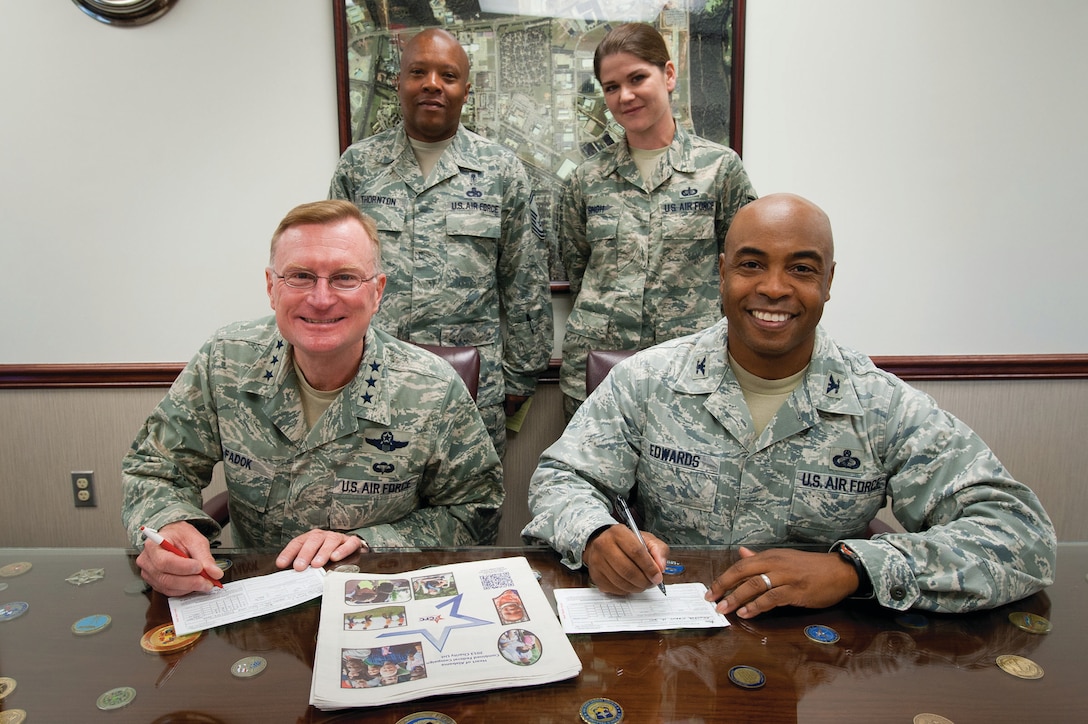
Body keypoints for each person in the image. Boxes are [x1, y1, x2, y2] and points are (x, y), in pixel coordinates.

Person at [524, 193, 1056, 616]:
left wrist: (855, 570)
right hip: (670, 628)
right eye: (752, 264)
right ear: (723, 272)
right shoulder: (647, 380)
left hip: (824, 653)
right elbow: (560, 480)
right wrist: (594, 534)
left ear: (828, 281)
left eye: (801, 269)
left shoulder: (880, 404)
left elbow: (1021, 535)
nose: (773, 288)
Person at [122, 200, 503, 596]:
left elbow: (476, 512)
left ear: (377, 292)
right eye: (300, 276)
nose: (321, 299)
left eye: (344, 278)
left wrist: (373, 543)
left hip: (376, 595)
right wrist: (168, 523)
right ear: (272, 288)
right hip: (251, 600)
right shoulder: (225, 361)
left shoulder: (434, 389)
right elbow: (157, 466)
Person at [329, 27, 553, 457]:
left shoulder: (501, 170)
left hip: (472, 388)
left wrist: (521, 377)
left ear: (466, 91)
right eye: (419, 72)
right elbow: (335, 278)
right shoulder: (358, 168)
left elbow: (525, 282)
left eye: (448, 76)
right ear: (398, 82)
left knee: (472, 513)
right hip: (372, 380)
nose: (433, 84)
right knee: (371, 505)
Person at [557, 22, 758, 419]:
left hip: (692, 374)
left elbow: (744, 270)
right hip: (596, 374)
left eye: (637, 78)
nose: (625, 96)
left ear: (667, 75)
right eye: (611, 87)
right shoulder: (585, 180)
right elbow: (579, 269)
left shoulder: (720, 170)